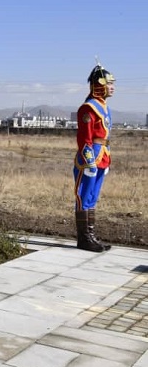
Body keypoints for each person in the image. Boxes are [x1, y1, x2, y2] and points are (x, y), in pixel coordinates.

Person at [73, 63, 114, 253]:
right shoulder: (88, 108)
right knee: (83, 196)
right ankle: (84, 239)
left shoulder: (104, 107)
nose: (112, 87)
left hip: (102, 155)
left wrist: (106, 160)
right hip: (89, 158)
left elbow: (104, 135)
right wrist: (89, 161)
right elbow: (85, 138)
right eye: (109, 83)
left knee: (92, 197)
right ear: (99, 85)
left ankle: (91, 236)